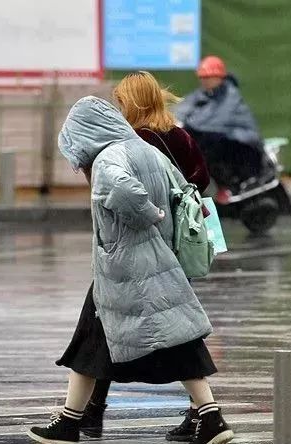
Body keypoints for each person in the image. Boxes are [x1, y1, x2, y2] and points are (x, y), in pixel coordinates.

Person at [26, 96, 234, 444]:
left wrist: (149, 215)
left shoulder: (108, 159)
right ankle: (210, 417)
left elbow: (126, 194)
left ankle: (70, 422)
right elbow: (184, 190)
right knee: (172, 341)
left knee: (95, 340)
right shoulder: (147, 151)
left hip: (124, 270)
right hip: (159, 263)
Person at [76, 71, 213, 442]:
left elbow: (126, 194)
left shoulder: (133, 141)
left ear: (131, 103)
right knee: (107, 328)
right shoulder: (180, 133)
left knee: (160, 331)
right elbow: (201, 177)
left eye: (122, 102)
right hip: (179, 242)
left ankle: (90, 413)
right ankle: (89, 412)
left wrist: (156, 206)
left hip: (138, 252)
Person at [174, 56, 265, 193]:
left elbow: (213, 120)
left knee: (206, 147)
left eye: (209, 77)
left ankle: (224, 186)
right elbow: (185, 106)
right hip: (223, 139)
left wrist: (185, 123)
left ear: (220, 77)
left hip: (243, 145)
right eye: (202, 77)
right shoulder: (206, 93)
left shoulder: (230, 95)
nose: (205, 80)